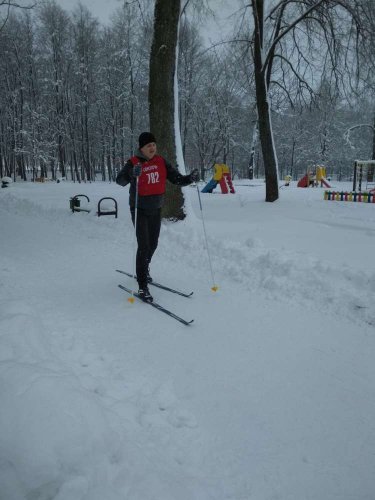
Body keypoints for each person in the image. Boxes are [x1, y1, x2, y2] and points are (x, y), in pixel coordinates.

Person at [116, 132, 199, 302]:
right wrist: (132, 173)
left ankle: (144, 269)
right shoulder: (133, 163)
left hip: (156, 208)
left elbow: (176, 179)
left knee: (153, 244)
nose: (152, 148)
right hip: (139, 209)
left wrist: (190, 178)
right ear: (142, 148)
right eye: (148, 146)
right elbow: (120, 180)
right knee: (144, 245)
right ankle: (142, 285)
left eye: (153, 144)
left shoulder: (161, 161)